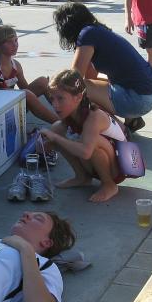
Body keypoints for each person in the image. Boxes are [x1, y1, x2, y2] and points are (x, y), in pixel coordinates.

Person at [54, 2, 152, 133]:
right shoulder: (96, 31)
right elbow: (91, 76)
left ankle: (120, 130)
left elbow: (74, 78)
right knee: (94, 83)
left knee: (79, 89)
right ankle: (132, 120)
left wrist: (54, 87)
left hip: (139, 99)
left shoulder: (86, 34)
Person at [40, 70, 128, 203]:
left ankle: (109, 185)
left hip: (119, 168)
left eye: (60, 98)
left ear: (78, 97)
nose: (55, 105)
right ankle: (82, 177)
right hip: (97, 163)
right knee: (56, 129)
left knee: (90, 142)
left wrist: (55, 138)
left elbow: (86, 152)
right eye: (52, 98)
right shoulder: (71, 113)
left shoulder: (94, 116)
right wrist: (45, 144)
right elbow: (51, 143)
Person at [0, 25, 57, 123]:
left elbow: (27, 90)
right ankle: (61, 124)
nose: (15, 44)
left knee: (43, 81)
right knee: (27, 94)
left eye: (16, 40)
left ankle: (66, 116)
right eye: (9, 42)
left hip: (8, 107)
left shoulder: (16, 65)